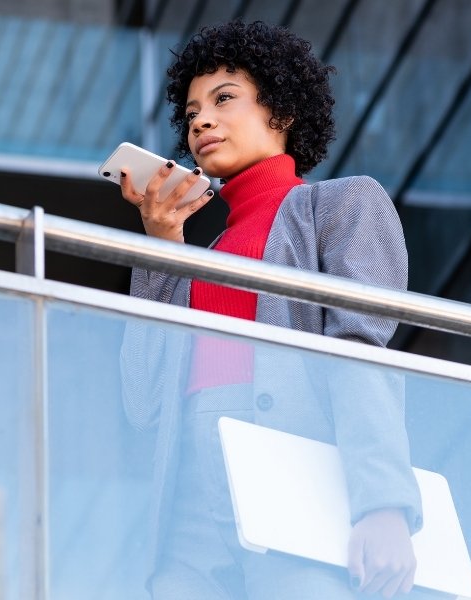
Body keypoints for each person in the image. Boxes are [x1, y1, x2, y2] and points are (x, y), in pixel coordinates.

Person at [118, 20, 425, 599]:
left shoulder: (339, 206)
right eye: (190, 114)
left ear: (280, 112)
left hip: (298, 477)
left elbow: (359, 352)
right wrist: (162, 245)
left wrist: (384, 503)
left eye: (224, 99)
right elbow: (141, 402)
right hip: (188, 509)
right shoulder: (193, 257)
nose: (201, 121)